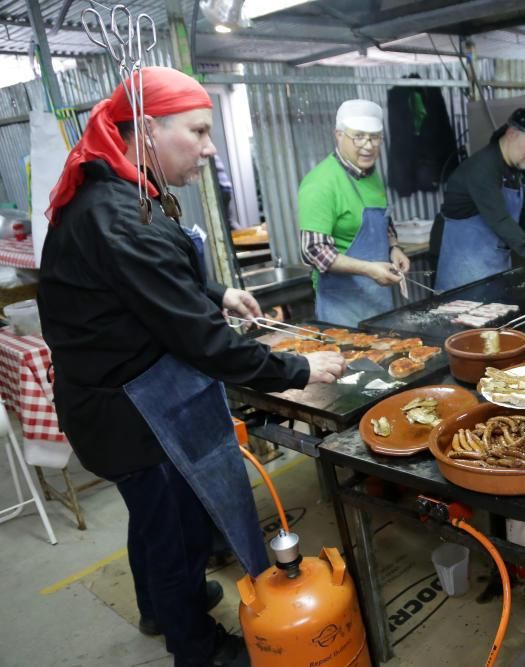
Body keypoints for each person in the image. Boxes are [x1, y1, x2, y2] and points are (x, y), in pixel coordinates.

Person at [38, 66, 345, 667]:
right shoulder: (121, 218)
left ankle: (158, 605)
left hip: (110, 396)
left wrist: (216, 293)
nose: (210, 148)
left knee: (150, 518)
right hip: (130, 410)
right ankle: (196, 646)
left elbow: (149, 287)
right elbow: (206, 347)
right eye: (200, 132)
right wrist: (299, 369)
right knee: (174, 526)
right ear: (148, 130)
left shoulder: (121, 192)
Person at [298, 99, 409, 327]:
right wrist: (368, 270)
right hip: (342, 305)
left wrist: (394, 247)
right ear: (338, 135)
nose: (368, 146)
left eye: (375, 137)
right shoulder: (320, 183)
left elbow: (383, 220)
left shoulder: (371, 174)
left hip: (378, 298)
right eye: (358, 136)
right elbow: (313, 250)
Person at [434, 107, 525, 291]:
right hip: (462, 275)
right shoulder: (482, 169)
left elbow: (523, 209)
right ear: (512, 133)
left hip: (494, 269)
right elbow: (501, 220)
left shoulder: (518, 169)